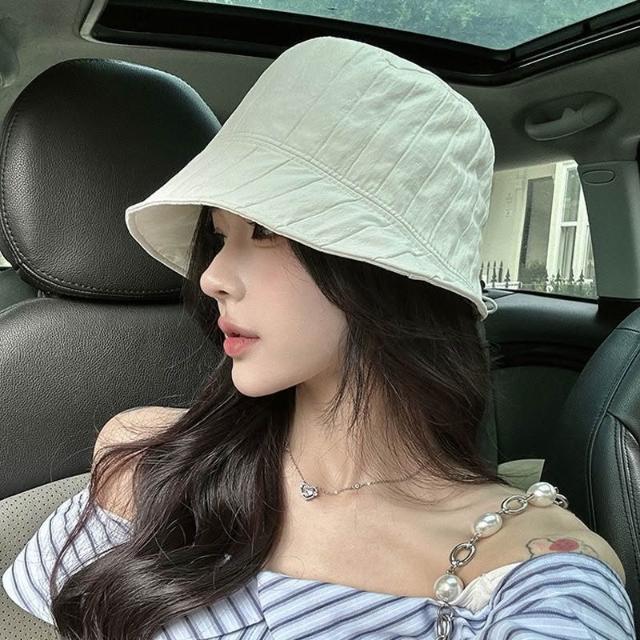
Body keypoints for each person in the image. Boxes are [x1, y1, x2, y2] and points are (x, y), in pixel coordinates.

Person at [2, 36, 634, 640]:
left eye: (264, 232)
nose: (212, 277)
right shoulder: (147, 461)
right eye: (218, 237)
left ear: (385, 273)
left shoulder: (532, 576)